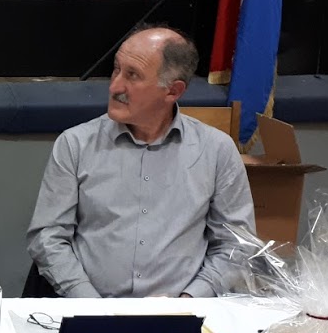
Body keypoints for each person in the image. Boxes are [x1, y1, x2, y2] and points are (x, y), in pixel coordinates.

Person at [26, 24, 254, 298]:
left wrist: (189, 300)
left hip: (181, 312)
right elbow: (48, 237)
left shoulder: (216, 150)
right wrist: (89, 303)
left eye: (132, 75)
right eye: (116, 69)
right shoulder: (76, 144)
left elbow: (236, 246)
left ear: (172, 91)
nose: (114, 86)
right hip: (89, 306)